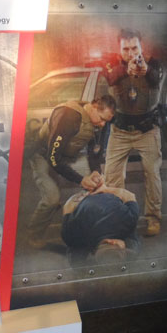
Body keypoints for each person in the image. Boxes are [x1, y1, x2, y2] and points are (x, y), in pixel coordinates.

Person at [26, 95, 116, 247]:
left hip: (68, 156)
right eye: (101, 119)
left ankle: (95, 230)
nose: (103, 124)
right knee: (52, 199)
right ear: (94, 107)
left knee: (98, 184)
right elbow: (53, 158)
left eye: (106, 121)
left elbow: (95, 152)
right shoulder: (69, 116)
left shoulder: (100, 121)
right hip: (44, 155)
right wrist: (81, 180)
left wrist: (95, 171)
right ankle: (34, 234)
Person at [104, 29, 163, 236]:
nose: (131, 53)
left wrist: (145, 70)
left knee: (152, 174)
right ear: (119, 49)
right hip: (120, 130)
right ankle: (117, 220)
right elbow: (110, 77)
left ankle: (153, 218)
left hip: (147, 130)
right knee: (112, 177)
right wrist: (125, 70)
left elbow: (156, 78)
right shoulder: (111, 63)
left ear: (141, 47)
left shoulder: (153, 63)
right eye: (126, 49)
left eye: (134, 48)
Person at [61, 172, 140, 254]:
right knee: (74, 244)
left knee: (74, 248)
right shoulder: (69, 235)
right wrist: (100, 190)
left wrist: (87, 192)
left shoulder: (129, 219)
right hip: (90, 202)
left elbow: (129, 196)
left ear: (112, 242)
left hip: (92, 200)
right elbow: (68, 206)